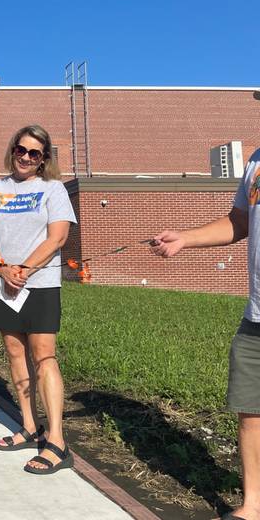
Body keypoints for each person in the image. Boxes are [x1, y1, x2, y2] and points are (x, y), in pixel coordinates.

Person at [151, 147, 258, 520]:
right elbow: (239, 221)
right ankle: (253, 506)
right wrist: (185, 239)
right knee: (251, 411)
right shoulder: (256, 161)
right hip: (257, 316)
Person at [0, 125, 77, 475]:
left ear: (43, 158)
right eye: (21, 149)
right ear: (13, 150)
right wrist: (3, 268)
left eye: (35, 153)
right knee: (15, 355)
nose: (26, 157)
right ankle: (30, 427)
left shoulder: (53, 189)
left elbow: (58, 237)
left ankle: (57, 442)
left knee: (43, 356)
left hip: (40, 285)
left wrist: (24, 269)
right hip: (3, 284)